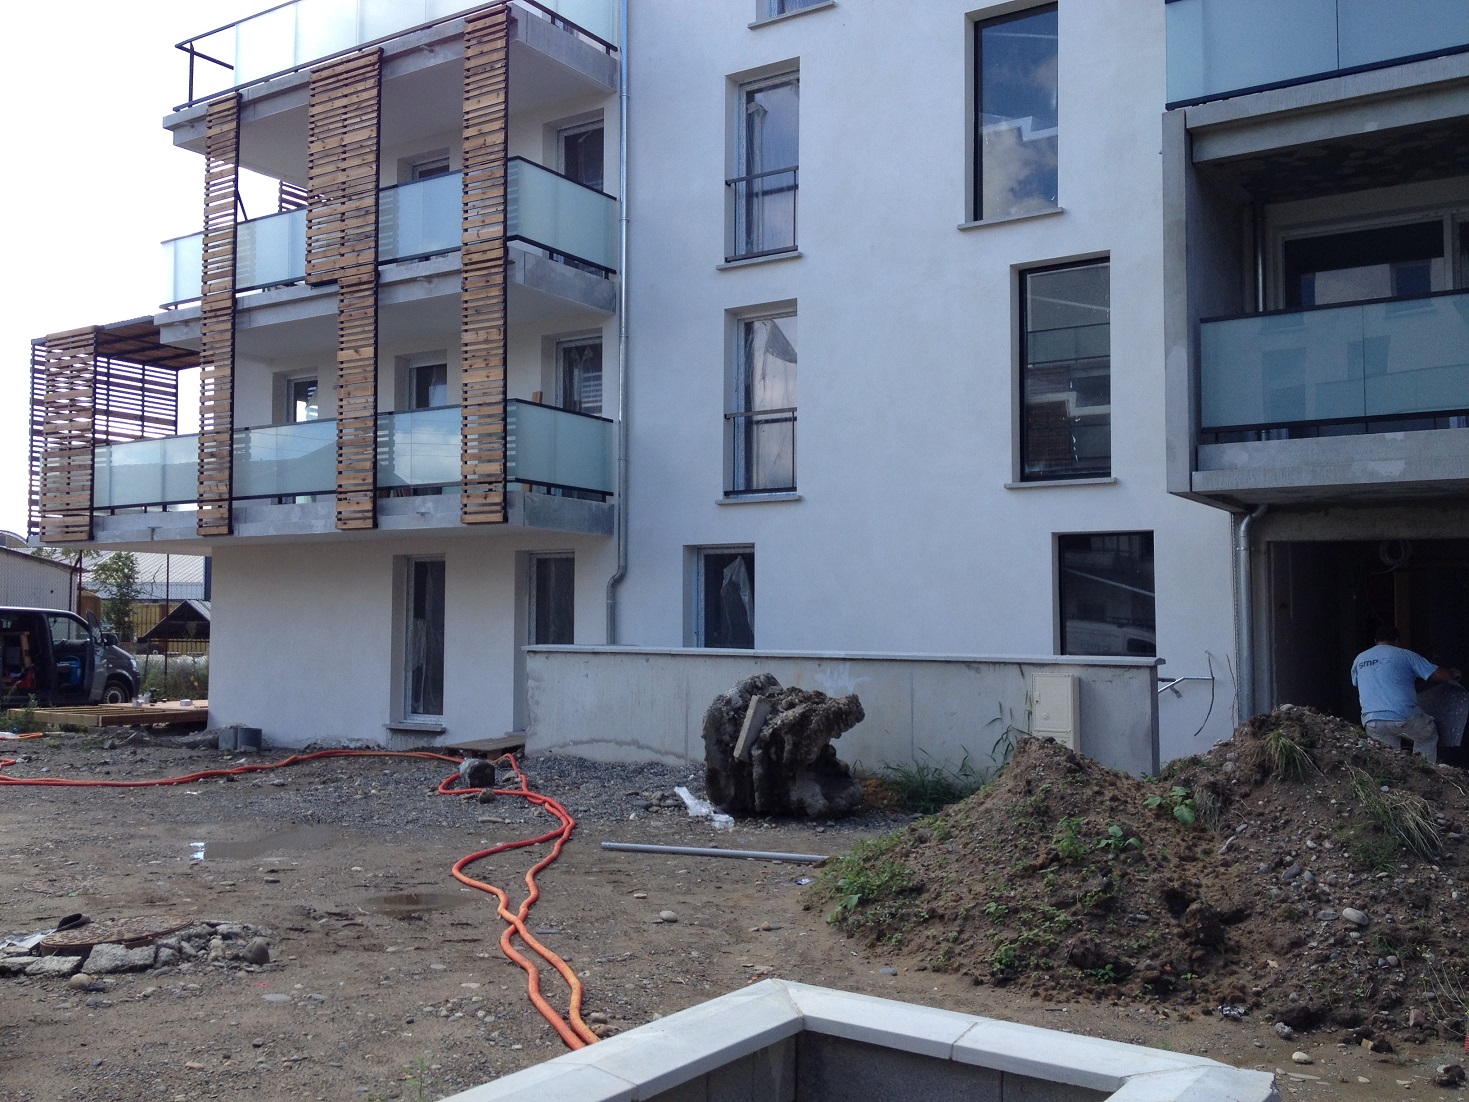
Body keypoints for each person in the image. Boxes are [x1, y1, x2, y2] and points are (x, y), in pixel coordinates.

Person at [1351, 625, 1461, 763]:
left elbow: (1356, 683)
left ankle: (1392, 782)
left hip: (1372, 721)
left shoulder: (1359, 659)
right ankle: (1423, 773)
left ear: (1375, 641)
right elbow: (1438, 674)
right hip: (1403, 716)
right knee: (1428, 736)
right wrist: (1453, 673)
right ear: (1397, 640)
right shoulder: (1405, 655)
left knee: (1388, 758)